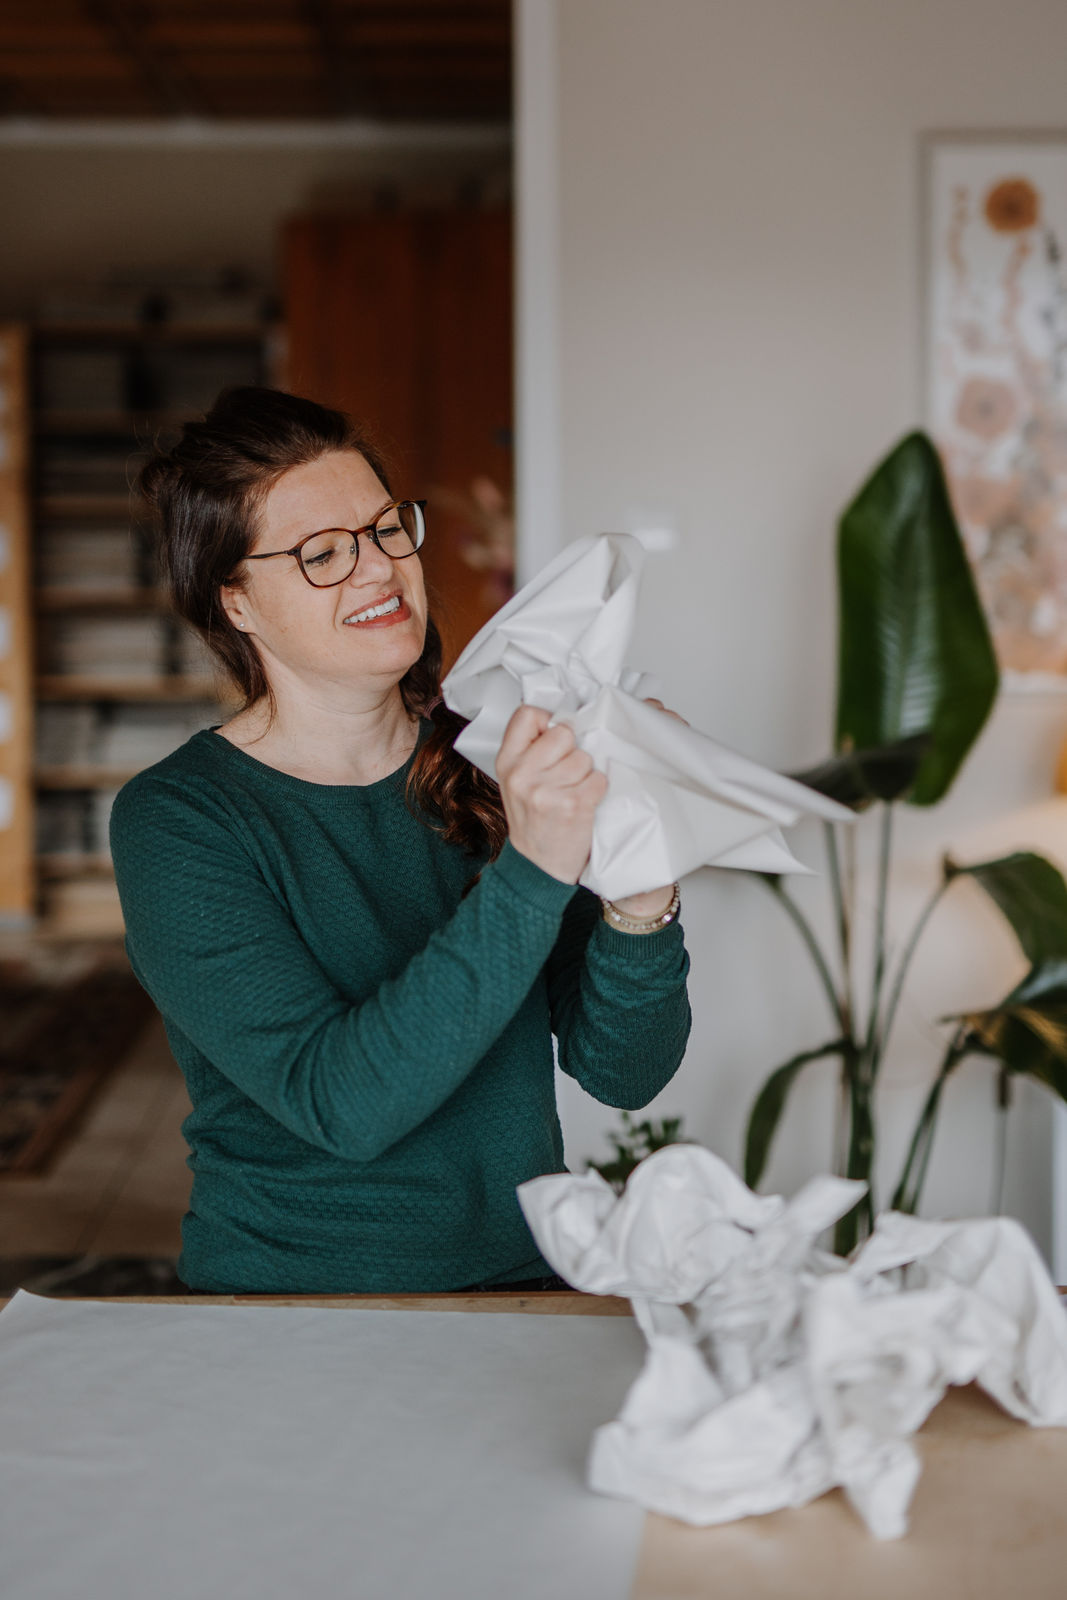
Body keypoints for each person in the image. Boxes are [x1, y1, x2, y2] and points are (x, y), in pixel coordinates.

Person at [110, 386, 691, 1294]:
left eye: (385, 529)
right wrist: (537, 863)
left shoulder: (496, 761)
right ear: (237, 603)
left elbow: (625, 1072)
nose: (378, 569)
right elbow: (342, 1105)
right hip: (289, 1307)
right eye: (321, 554)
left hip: (521, 1287)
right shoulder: (181, 819)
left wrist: (639, 882)